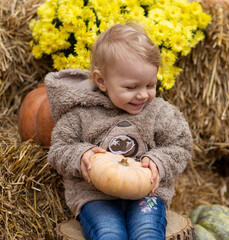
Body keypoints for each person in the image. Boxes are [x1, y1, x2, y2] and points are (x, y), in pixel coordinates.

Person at [45, 23, 193, 240]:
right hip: (96, 197)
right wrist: (81, 155)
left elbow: (181, 145)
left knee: (147, 233)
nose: (143, 95)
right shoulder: (81, 114)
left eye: (150, 85)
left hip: (147, 194)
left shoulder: (160, 113)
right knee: (108, 234)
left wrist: (159, 161)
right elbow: (58, 149)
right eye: (131, 87)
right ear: (102, 81)